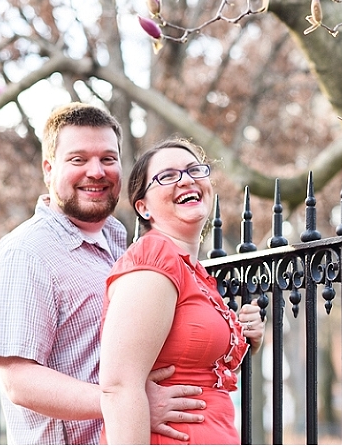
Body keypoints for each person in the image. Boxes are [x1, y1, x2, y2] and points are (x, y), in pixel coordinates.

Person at [0, 103, 207, 444]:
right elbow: (20, 381)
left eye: (107, 159)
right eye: (78, 159)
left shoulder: (124, 246)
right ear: (48, 168)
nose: (97, 172)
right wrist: (126, 403)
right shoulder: (25, 253)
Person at [99, 138, 266, 445]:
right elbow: (119, 386)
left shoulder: (192, 271)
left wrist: (246, 335)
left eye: (194, 170)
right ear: (143, 207)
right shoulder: (154, 260)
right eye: (168, 176)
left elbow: (195, 371)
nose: (186, 179)